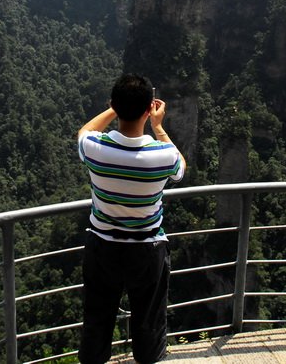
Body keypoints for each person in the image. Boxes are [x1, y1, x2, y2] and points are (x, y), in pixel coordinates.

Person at [77, 74, 187, 364]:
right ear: (149, 108)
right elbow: (181, 168)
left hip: (102, 248)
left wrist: (114, 109)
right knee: (149, 324)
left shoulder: (94, 148)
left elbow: (84, 130)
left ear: (114, 104)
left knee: (96, 322)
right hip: (147, 251)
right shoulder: (163, 154)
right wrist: (159, 126)